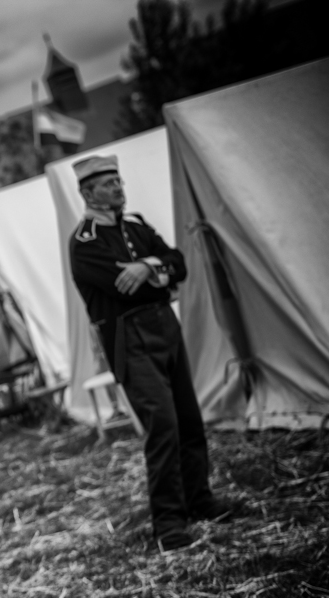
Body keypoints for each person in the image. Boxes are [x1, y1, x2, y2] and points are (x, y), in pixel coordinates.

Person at [68, 155, 227, 551]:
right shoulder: (84, 242)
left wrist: (147, 266)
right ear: (88, 193)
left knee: (189, 420)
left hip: (165, 328)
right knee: (163, 426)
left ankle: (200, 500)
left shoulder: (137, 227)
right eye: (108, 183)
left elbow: (179, 264)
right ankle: (169, 523)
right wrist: (158, 273)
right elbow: (123, 287)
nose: (118, 187)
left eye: (118, 180)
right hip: (129, 337)